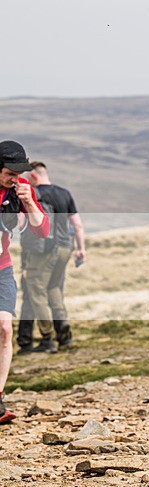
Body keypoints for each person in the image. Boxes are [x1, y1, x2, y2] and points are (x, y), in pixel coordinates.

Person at [0, 140, 49, 423]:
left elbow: (43, 230)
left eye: (19, 173)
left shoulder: (22, 189)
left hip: (3, 269)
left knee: (5, 329)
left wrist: (29, 202)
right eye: (10, 173)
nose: (15, 178)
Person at [17, 161, 86, 353]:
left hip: (44, 250)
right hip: (65, 248)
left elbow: (24, 227)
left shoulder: (34, 194)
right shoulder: (65, 193)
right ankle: (65, 335)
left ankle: (47, 338)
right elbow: (78, 225)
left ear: (34, 176)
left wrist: (25, 262)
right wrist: (81, 249)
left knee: (36, 292)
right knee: (54, 288)